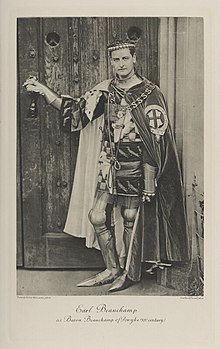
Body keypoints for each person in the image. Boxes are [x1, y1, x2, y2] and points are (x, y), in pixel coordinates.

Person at [24, 37, 190, 292]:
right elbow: (76, 112)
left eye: (125, 58)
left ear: (135, 59)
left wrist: (149, 180)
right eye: (116, 59)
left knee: (130, 217)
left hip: (137, 166)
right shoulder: (105, 90)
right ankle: (111, 268)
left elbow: (157, 140)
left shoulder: (150, 92)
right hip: (109, 165)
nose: (121, 64)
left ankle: (128, 271)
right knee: (97, 215)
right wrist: (43, 90)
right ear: (111, 62)